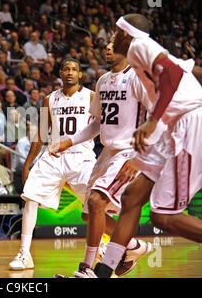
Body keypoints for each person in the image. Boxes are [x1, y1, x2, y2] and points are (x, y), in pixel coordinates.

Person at [85, 14, 202, 278]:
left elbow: (171, 77)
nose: (111, 39)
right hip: (170, 125)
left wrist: (152, 122)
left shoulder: (138, 46)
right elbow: (186, 70)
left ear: (126, 34)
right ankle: (102, 273)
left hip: (187, 122)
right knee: (132, 197)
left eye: (115, 33)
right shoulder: (145, 57)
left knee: (163, 217)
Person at [50, 38, 164, 278]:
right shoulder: (102, 81)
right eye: (107, 45)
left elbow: (159, 119)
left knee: (96, 202)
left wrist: (139, 158)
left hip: (129, 151)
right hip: (107, 152)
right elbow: (97, 124)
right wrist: (68, 142)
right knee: (89, 214)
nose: (108, 48)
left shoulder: (138, 78)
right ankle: (133, 247)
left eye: (114, 44)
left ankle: (87, 270)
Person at [8, 58, 97, 270]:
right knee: (30, 196)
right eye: (66, 69)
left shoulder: (91, 96)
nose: (70, 72)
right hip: (54, 155)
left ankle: (102, 246)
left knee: (95, 204)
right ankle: (24, 253)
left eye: (74, 69)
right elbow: (41, 133)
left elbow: (101, 125)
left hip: (81, 155)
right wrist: (28, 164)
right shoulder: (50, 99)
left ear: (80, 75)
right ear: (60, 73)